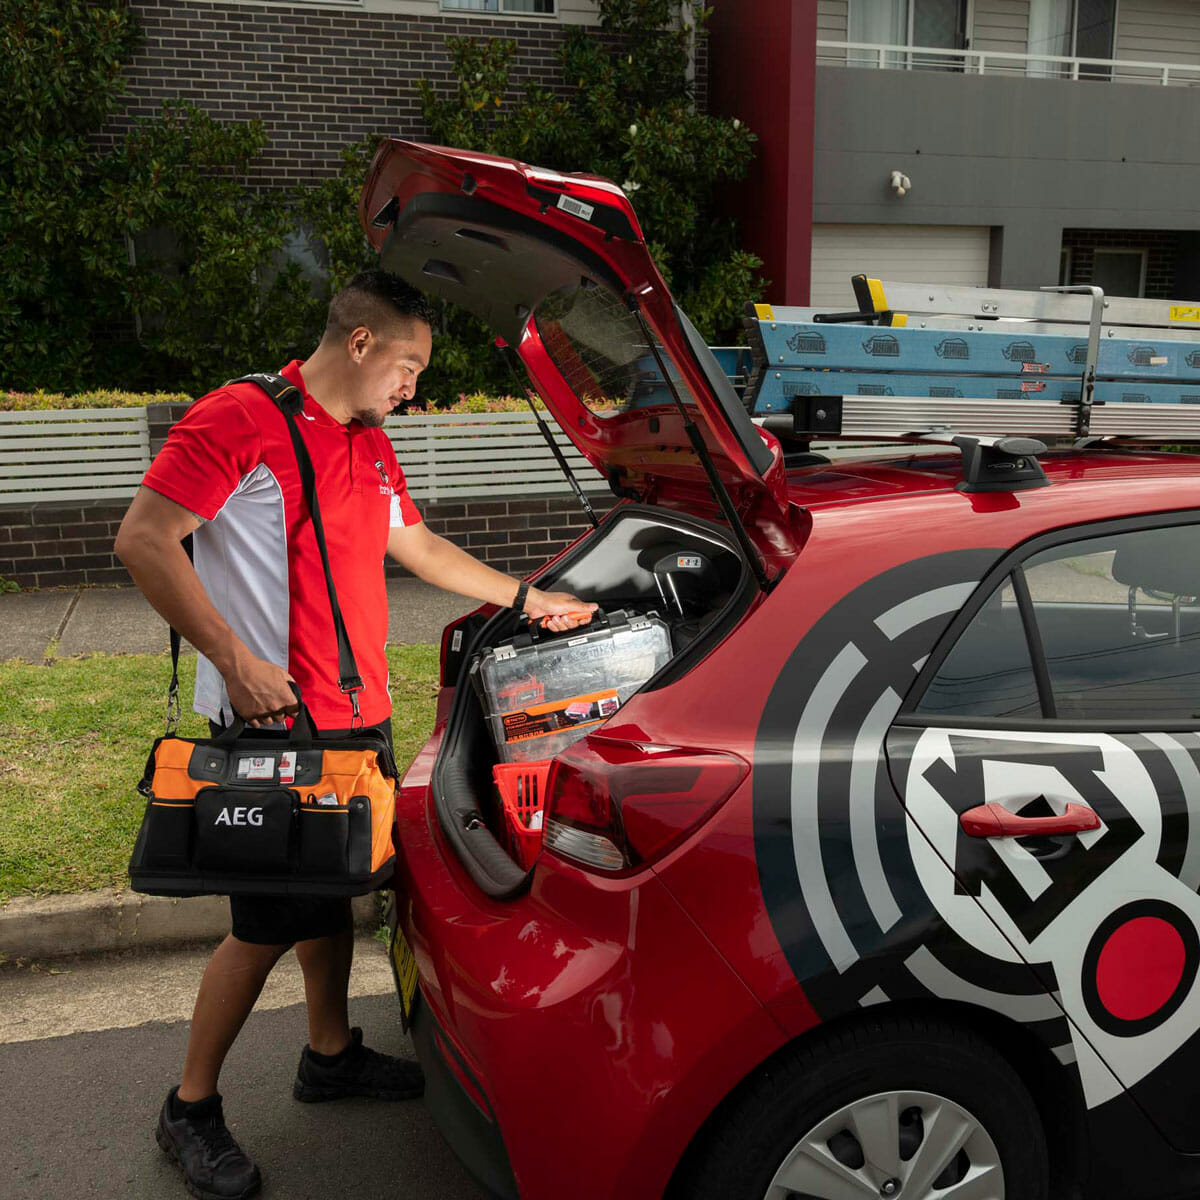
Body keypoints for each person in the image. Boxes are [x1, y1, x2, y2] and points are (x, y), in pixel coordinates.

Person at [115, 269, 596, 1200]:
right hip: (273, 722)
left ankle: (328, 1055)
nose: (416, 385)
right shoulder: (238, 419)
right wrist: (232, 655)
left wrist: (533, 598)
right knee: (262, 926)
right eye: (410, 364)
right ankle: (191, 1108)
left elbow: (416, 548)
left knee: (333, 891)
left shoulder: (370, 444)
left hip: (356, 718)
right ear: (363, 343)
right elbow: (143, 537)